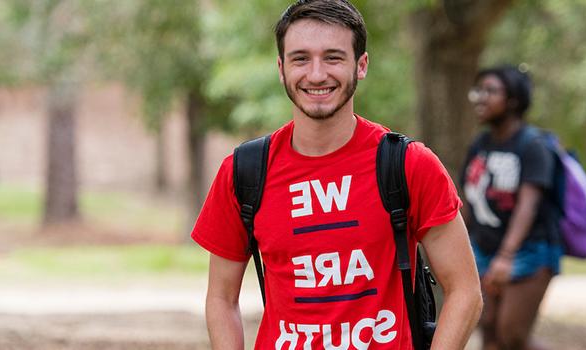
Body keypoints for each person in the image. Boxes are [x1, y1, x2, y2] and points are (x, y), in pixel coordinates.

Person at [191, 1, 482, 349]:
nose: (316, 74)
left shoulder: (408, 164)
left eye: (333, 57)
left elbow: (465, 291)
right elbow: (222, 299)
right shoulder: (244, 172)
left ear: (361, 66)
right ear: (281, 69)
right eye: (301, 59)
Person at [462, 65, 562, 350]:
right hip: (484, 249)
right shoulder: (480, 144)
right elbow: (469, 199)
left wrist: (506, 257)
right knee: (490, 332)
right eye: (478, 90)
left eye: (490, 91)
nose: (481, 97)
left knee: (512, 334)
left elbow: (527, 206)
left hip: (530, 251)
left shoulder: (533, 146)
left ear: (514, 100)